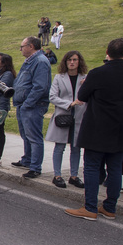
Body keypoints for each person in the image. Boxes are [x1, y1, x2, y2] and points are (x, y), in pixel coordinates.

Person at [65, 38, 123, 221]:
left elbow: (82, 96)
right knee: (114, 168)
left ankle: (90, 207)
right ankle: (109, 207)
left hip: (97, 126)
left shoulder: (97, 73)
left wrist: (86, 85)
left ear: (107, 52)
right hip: (120, 126)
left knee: (91, 167)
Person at [46, 51, 88, 189]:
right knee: (60, 146)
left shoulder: (85, 78)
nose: (72, 62)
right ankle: (57, 175)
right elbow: (52, 96)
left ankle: (74, 176)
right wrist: (69, 104)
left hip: (79, 117)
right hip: (63, 116)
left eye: (75, 60)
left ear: (79, 62)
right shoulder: (59, 77)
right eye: (69, 60)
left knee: (76, 147)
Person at [12, 36, 51, 178]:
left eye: (22, 46)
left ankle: (35, 167)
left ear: (31, 46)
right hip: (23, 104)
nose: (21, 49)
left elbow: (40, 87)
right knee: (26, 135)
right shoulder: (30, 61)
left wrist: (27, 104)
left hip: (33, 106)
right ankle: (27, 159)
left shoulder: (40, 62)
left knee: (34, 137)